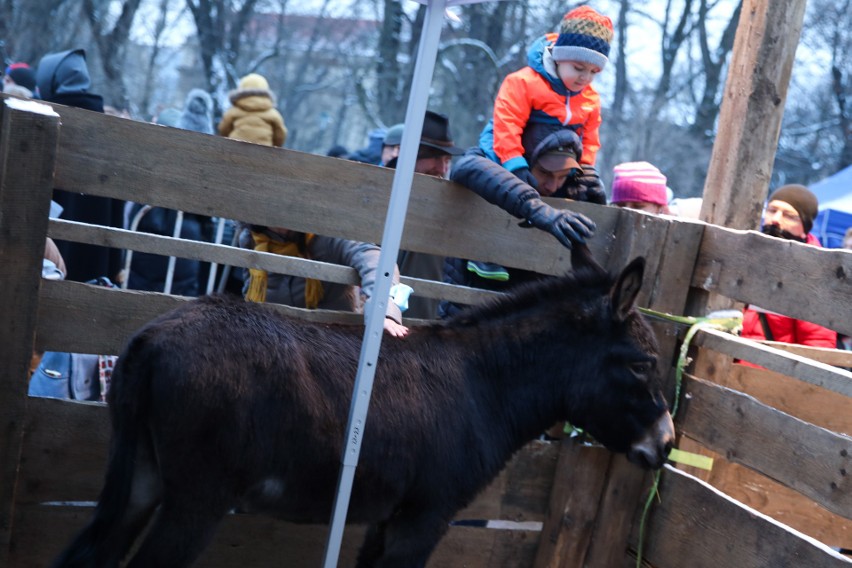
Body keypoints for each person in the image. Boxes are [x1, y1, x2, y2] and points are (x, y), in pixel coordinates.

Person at [440, 128, 597, 318]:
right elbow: (466, 166)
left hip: (528, 324)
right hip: (468, 315)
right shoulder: (486, 159)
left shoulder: (570, 189)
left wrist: (595, 201)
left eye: (562, 176)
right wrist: (535, 207)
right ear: (524, 161)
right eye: (545, 172)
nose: (553, 186)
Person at [479, 6, 613, 201]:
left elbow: (589, 140)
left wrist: (583, 170)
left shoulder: (590, 99)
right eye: (578, 68)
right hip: (505, 155)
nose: (585, 77)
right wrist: (514, 164)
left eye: (594, 72)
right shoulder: (524, 82)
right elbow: (507, 125)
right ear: (559, 58)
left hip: (556, 167)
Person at [36, 49, 125, 283]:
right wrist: (116, 265)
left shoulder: (42, 122)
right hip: (96, 263)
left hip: (47, 264)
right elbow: (117, 206)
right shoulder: (110, 130)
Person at [239, 225, 409, 337]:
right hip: (276, 339)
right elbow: (249, 292)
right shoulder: (250, 238)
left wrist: (383, 310)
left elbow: (371, 257)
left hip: (331, 341)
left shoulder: (326, 233)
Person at [385, 111, 465, 319]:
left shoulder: (447, 204)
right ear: (411, 154)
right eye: (435, 157)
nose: (442, 168)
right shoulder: (381, 190)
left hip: (423, 330)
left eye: (447, 159)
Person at [739, 185, 837, 352]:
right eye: (772, 210)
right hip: (724, 363)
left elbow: (817, 343)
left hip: (768, 372)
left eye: (789, 216)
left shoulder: (814, 273)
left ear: (805, 228)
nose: (775, 219)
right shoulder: (744, 251)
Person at [218, 74, 287, 146]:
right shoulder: (273, 114)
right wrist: (274, 147)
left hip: (235, 148)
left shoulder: (233, 111)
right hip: (264, 151)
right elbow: (280, 135)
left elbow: (223, 130)